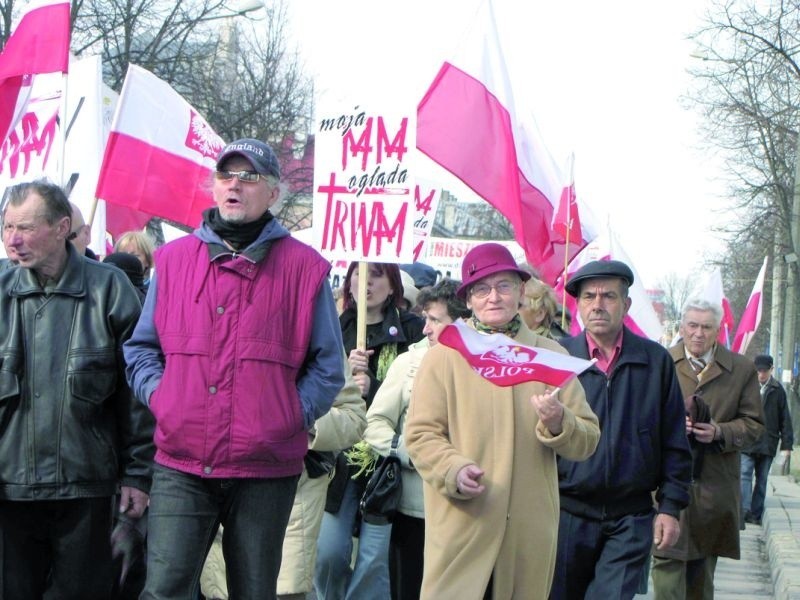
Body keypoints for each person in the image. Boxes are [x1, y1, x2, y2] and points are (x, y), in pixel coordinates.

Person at [124, 138, 345, 599]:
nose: (235, 186)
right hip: (182, 463)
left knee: (254, 592)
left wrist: (287, 416)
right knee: (164, 588)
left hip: (264, 471)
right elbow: (141, 349)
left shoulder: (306, 269)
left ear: (273, 194)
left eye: (250, 177)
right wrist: (166, 400)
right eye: (227, 175)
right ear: (213, 187)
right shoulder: (173, 260)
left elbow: (328, 366)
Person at [405, 243, 601, 599]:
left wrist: (560, 422)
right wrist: (452, 469)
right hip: (463, 526)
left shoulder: (550, 357)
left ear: (522, 292)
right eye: (482, 288)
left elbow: (588, 439)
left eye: (504, 286)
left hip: (527, 535)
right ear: (468, 299)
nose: (493, 297)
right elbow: (420, 435)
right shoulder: (445, 356)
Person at [0, 179, 155, 599]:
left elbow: (137, 398)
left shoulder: (110, 289)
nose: (13, 240)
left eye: (26, 228)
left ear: (61, 226)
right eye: (7, 227)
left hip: (86, 489)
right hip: (9, 490)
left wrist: (139, 475)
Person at [551, 259, 693, 599]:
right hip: (566, 513)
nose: (598, 305)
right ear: (578, 305)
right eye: (589, 297)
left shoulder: (655, 361)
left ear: (626, 304)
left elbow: (675, 440)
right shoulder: (558, 358)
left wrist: (671, 508)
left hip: (631, 517)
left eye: (608, 296)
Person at [199, 362, 367, 600]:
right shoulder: (204, 326)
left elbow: (353, 419)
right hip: (218, 493)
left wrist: (292, 418)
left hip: (291, 509)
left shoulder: (311, 327)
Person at [315, 261, 424, 600]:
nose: (366, 282)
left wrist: (374, 385)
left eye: (377, 275)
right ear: (347, 283)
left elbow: (420, 396)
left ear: (393, 287)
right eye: (359, 274)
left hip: (386, 464)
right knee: (328, 552)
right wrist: (344, 378)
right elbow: (310, 388)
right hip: (339, 460)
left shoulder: (414, 331)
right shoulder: (330, 327)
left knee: (374, 559)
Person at [363, 278, 471, 600]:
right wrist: (408, 452)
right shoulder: (408, 362)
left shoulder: (487, 366)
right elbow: (374, 424)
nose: (425, 329)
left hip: (468, 512)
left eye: (435, 320)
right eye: (425, 318)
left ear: (462, 323)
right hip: (415, 510)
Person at [651, 297, 764, 600]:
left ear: (718, 330)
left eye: (706, 327)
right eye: (692, 325)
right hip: (666, 488)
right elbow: (643, 418)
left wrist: (719, 432)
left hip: (713, 490)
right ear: (682, 327)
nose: (698, 333)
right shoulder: (661, 361)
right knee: (666, 575)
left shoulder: (740, 369)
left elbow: (755, 426)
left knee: (701, 581)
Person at [741, 354, 793, 526]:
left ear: (771, 370)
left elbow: (785, 419)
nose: (761, 374)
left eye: (764, 371)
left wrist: (786, 446)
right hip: (748, 440)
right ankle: (744, 510)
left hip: (767, 442)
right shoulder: (746, 387)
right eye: (758, 371)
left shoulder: (778, 390)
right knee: (744, 475)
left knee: (762, 480)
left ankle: (755, 514)